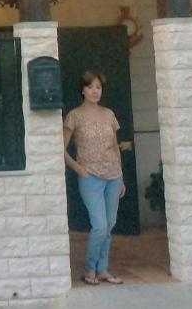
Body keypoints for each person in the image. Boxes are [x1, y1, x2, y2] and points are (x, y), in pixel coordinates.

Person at [63, 70, 126, 286]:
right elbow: (60, 149)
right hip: (90, 177)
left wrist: (122, 176)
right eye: (91, 87)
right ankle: (90, 269)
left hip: (113, 176)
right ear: (83, 90)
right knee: (99, 225)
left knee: (109, 225)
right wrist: (79, 169)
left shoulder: (109, 114)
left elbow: (115, 147)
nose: (95, 91)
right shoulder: (74, 116)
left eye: (98, 87)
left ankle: (102, 269)